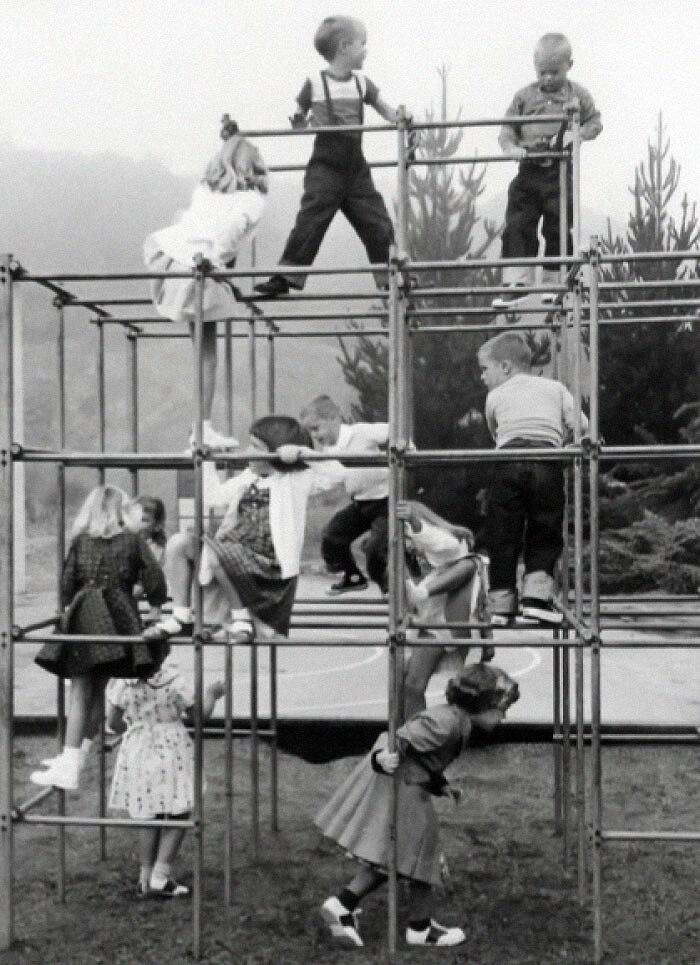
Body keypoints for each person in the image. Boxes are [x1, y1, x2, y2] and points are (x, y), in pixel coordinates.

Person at [315, 662, 519, 949]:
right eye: (500, 709)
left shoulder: (457, 720)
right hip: (401, 786)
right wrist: (380, 760)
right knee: (423, 856)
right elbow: (399, 740)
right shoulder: (446, 722)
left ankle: (342, 905)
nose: (504, 716)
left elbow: (424, 758)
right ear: (482, 704)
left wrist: (440, 784)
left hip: (410, 784)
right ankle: (419, 928)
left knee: (396, 857)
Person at [144, 415, 345, 643]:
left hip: (267, 563)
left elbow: (337, 473)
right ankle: (181, 616)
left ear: (275, 454)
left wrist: (300, 452)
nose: (248, 450)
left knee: (216, 554)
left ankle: (242, 619)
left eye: (256, 447)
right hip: (230, 554)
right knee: (179, 543)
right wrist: (207, 460)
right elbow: (214, 497)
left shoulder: (296, 479)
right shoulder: (250, 477)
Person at [253, 15, 410, 299]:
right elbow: (299, 117)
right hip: (325, 164)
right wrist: (299, 123)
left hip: (355, 165)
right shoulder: (314, 82)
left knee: (377, 222)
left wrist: (402, 118)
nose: (366, 50)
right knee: (310, 220)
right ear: (344, 47)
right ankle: (286, 276)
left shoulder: (362, 83)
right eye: (363, 44)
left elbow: (385, 110)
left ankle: (392, 277)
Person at [31, 486, 167, 791]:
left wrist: (67, 606)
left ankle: (69, 763)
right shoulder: (132, 541)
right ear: (121, 513)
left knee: (80, 691)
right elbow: (154, 577)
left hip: (87, 615)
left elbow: (67, 582)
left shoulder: (81, 542)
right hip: (119, 619)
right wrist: (155, 605)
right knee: (99, 690)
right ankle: (75, 758)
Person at [144, 114, 268, 447]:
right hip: (201, 267)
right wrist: (216, 266)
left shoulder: (205, 189)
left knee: (201, 350)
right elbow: (229, 237)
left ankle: (202, 424)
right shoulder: (252, 200)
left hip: (176, 261)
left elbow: (181, 219)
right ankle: (202, 427)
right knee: (208, 353)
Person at [477, 332, 588, 625]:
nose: (482, 377)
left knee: (502, 534)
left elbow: (497, 432)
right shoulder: (555, 388)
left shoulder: (495, 396)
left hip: (508, 462)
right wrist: (571, 441)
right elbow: (582, 426)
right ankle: (536, 598)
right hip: (546, 463)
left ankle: (501, 604)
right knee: (545, 529)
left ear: (505, 367)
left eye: (485, 369)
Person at [493, 33, 602, 308]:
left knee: (558, 223)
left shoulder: (576, 94)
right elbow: (507, 129)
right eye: (543, 72)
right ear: (534, 67)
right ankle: (516, 281)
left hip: (558, 172)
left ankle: (555, 281)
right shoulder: (524, 96)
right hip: (528, 169)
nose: (548, 79)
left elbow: (595, 122)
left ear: (569, 65)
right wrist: (511, 147)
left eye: (555, 72)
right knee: (518, 222)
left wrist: (577, 135)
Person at [106, 648, 225, 897]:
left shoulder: (123, 681)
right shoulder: (174, 681)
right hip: (172, 746)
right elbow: (200, 716)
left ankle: (145, 876)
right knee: (179, 810)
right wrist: (212, 695)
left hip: (138, 745)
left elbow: (113, 722)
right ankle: (160, 875)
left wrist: (134, 724)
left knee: (146, 811)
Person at [397, 499, 494, 718]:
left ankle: (432, 734)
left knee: (463, 690)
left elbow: (442, 546)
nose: (409, 543)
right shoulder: (410, 554)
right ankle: (412, 735)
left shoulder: (454, 542)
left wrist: (415, 525)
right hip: (429, 620)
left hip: (451, 620)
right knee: (410, 685)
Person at [300, 394, 388, 595]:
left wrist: (403, 447)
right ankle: (352, 575)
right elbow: (330, 476)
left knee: (375, 549)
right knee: (332, 536)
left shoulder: (360, 432)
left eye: (316, 428)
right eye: (310, 431)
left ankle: (388, 587)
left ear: (334, 418)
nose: (315, 436)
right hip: (361, 504)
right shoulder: (331, 450)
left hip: (385, 502)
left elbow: (393, 431)